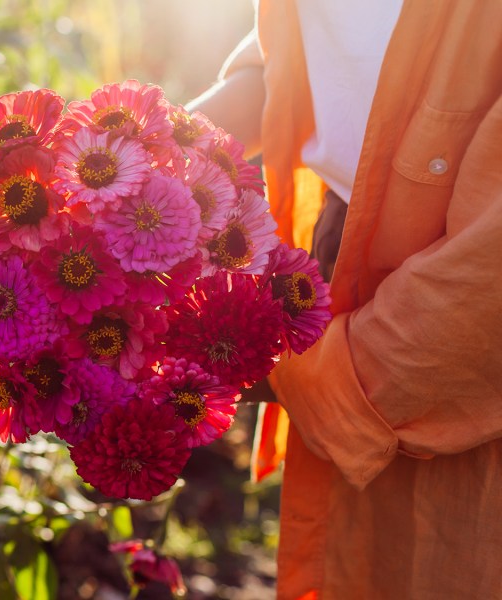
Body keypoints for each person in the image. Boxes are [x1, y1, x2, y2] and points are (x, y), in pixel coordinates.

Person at [188, 2, 502, 598]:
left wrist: (232, 358)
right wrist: (146, 149)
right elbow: (316, 47)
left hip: (446, 313)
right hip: (340, 249)